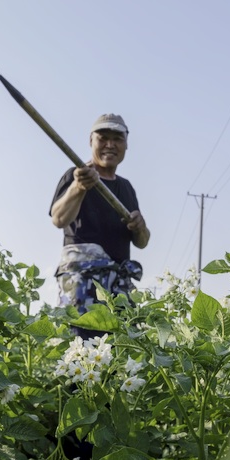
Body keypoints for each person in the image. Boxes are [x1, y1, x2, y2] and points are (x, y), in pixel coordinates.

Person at [50, 113, 150, 318]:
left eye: (117, 139)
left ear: (126, 144)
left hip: (118, 287)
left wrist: (141, 227)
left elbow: (142, 242)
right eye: (103, 138)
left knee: (118, 346)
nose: (110, 144)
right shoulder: (76, 174)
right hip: (81, 283)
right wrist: (79, 187)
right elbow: (58, 219)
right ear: (91, 141)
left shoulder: (126, 188)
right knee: (80, 343)